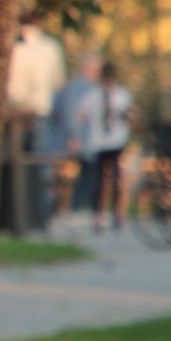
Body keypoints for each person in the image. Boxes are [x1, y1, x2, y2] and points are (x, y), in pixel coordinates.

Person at [6, 11, 66, 229]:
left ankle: (18, 211)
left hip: (16, 112)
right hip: (41, 109)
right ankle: (40, 213)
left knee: (15, 162)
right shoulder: (50, 48)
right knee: (41, 162)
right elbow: (58, 82)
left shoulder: (12, 47)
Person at [74, 60, 133, 231]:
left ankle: (116, 214)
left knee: (115, 178)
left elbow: (129, 114)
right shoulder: (93, 95)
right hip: (99, 141)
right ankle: (99, 215)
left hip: (116, 140)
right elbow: (82, 116)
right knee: (101, 180)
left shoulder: (121, 95)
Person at [51, 52, 102, 225]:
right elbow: (72, 114)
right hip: (80, 139)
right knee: (88, 173)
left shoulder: (88, 86)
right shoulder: (79, 88)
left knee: (88, 173)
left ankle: (75, 207)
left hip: (87, 139)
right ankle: (73, 207)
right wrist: (74, 136)